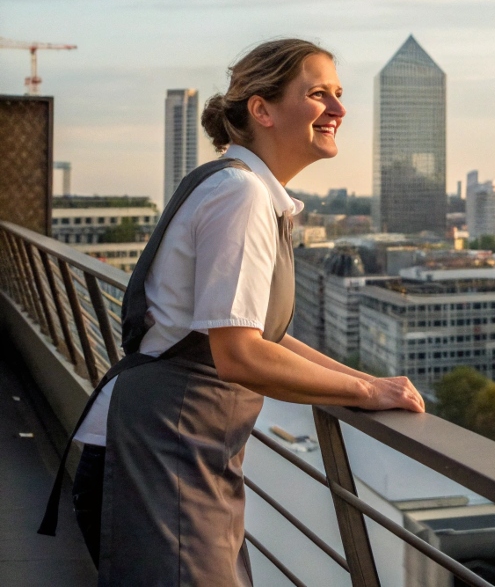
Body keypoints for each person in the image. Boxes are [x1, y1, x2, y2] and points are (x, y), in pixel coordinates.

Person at [55, 38, 425, 585]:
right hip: (159, 454)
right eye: (319, 94)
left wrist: (367, 380)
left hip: (180, 450)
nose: (340, 110)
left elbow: (258, 336)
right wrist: (367, 394)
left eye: (340, 95)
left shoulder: (236, 187)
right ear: (262, 109)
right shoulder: (241, 196)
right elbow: (238, 355)